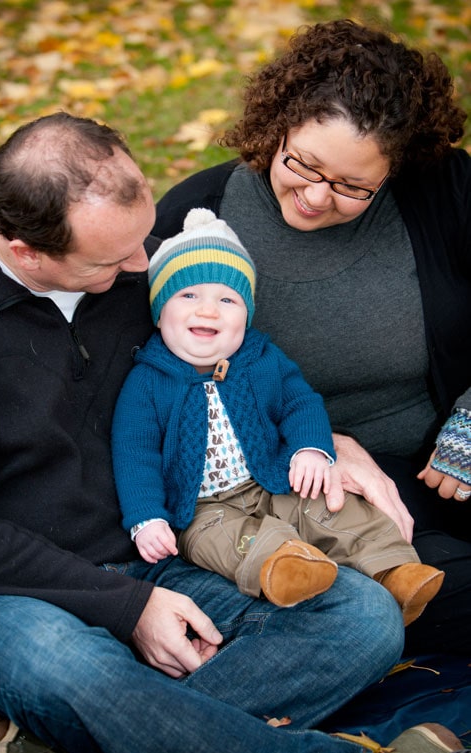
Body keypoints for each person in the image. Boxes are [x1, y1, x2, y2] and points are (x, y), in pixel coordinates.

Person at [0, 110, 442, 753]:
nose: (144, 263)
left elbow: (228, 377)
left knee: (362, 617)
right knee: (76, 668)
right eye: (115, 259)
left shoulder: (134, 266)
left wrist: (327, 438)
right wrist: (125, 610)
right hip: (10, 590)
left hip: (165, 549)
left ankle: (60, 738)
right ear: (27, 252)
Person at [153, 18, 471, 657]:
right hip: (305, 493)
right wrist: (320, 439)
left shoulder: (444, 190)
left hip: (449, 457)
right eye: (303, 164)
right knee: (439, 591)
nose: (316, 198)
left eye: (354, 187)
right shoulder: (199, 221)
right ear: (279, 123)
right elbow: (163, 388)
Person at [112, 206, 443, 626]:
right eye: (188, 295)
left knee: (330, 507)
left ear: (246, 317)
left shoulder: (262, 358)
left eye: (227, 299)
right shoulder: (148, 381)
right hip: (201, 507)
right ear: (160, 313)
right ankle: (288, 567)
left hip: (273, 477)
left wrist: (311, 449)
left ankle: (395, 570)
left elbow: (299, 403)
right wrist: (146, 518)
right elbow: (133, 454)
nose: (209, 310)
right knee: (225, 541)